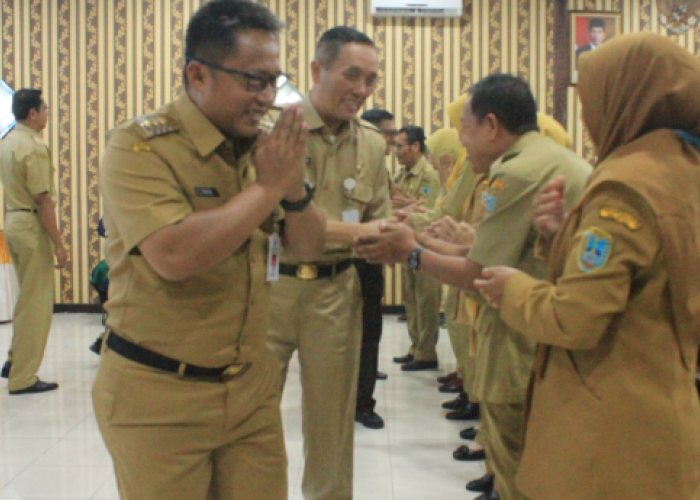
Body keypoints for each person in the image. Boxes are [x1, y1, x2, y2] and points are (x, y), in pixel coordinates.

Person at [93, 2, 326, 499]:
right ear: (197, 75)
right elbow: (174, 256)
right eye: (254, 81)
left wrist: (292, 189)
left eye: (274, 82)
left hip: (249, 391)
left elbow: (307, 247)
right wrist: (266, 189)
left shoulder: (263, 147)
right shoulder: (139, 147)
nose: (267, 98)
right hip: (159, 397)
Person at [475, 33, 700, 500]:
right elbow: (648, 278)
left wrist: (513, 289)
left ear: (625, 96)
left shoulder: (625, 186)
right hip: (664, 401)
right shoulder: (680, 168)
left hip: (609, 428)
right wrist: (560, 237)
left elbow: (574, 318)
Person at [355, 74, 591, 500]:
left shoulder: (518, 172)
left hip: (525, 331)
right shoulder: (545, 160)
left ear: (492, 126)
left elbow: (478, 272)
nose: (460, 141)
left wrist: (410, 252)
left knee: (514, 454)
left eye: (464, 128)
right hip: (551, 326)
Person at [267, 26, 390, 500]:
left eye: (371, 81)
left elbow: (383, 221)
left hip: (337, 293)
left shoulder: (374, 144)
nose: (361, 90)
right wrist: (361, 232)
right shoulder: (277, 130)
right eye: (351, 76)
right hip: (270, 290)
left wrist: (394, 236)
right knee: (252, 422)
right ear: (317, 70)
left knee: (333, 429)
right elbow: (274, 222)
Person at [0, 88, 67, 395]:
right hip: (31, 224)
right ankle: (23, 377)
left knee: (26, 296)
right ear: (33, 114)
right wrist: (58, 243)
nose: (47, 114)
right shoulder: (33, 147)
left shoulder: (8, 141)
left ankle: (14, 362)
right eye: (45, 109)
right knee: (37, 304)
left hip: (13, 220)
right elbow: (43, 200)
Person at [351, 108, 395, 431]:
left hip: (368, 263)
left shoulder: (381, 170)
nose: (392, 141)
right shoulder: (350, 163)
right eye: (387, 134)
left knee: (369, 333)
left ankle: (363, 402)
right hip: (338, 260)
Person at [391, 126, 442, 371]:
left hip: (426, 246)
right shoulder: (403, 175)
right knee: (411, 298)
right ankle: (415, 347)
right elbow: (397, 203)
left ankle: (427, 352)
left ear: (415, 146)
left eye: (400, 146)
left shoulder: (428, 175)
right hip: (408, 244)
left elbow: (430, 213)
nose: (396, 151)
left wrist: (410, 206)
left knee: (426, 299)